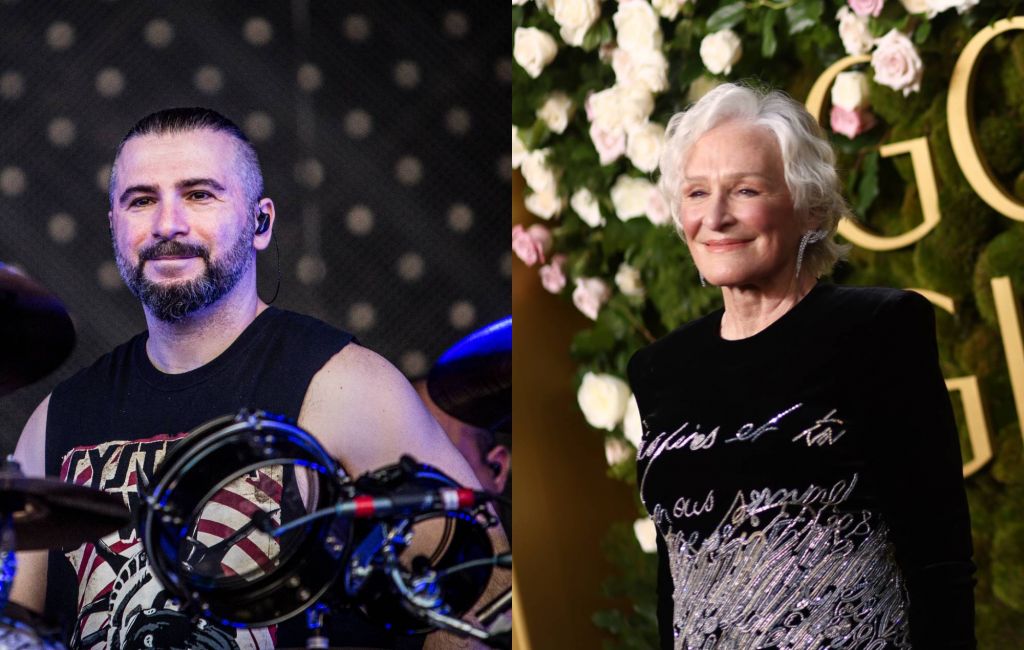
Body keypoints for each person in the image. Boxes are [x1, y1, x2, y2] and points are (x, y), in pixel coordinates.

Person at [10, 107, 508, 649]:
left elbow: (480, 590)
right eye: (142, 199)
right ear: (114, 227)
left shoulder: (343, 385)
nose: (167, 224)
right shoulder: (57, 419)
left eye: (199, 194)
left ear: (260, 222)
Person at [627, 83, 975, 649]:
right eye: (696, 193)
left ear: (808, 205)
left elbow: (939, 559)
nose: (714, 217)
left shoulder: (878, 329)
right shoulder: (659, 369)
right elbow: (676, 574)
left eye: (745, 190)